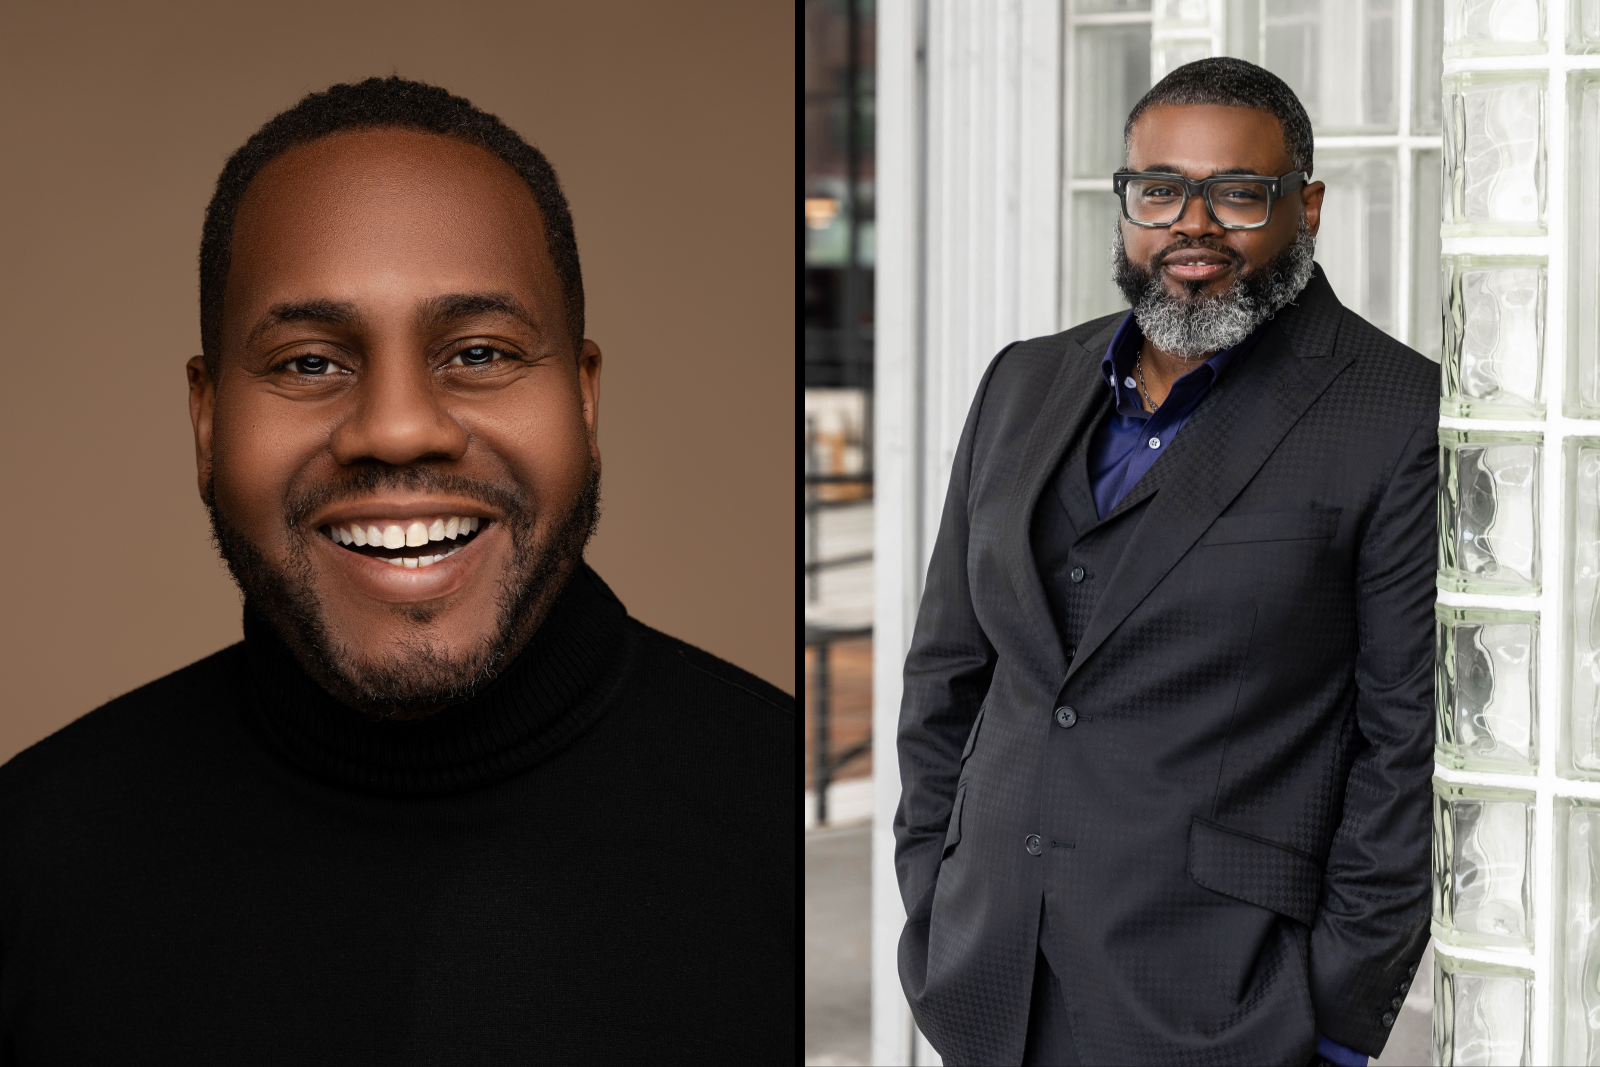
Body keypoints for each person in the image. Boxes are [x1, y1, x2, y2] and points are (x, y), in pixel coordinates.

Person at [0, 77, 793, 1064]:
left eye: (478, 350)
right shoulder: (30, 856)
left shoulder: (781, 813)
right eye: (307, 363)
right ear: (205, 420)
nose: (396, 425)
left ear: (584, 402)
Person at [894, 58, 1434, 1067]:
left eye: (1236, 193)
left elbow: (1402, 742)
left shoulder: (1393, 410)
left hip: (1223, 1000)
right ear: (1126, 203)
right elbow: (947, 671)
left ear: (1304, 206)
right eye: (1158, 189)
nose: (1191, 224)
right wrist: (934, 882)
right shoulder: (1022, 379)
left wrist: (1333, 1017)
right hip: (984, 974)